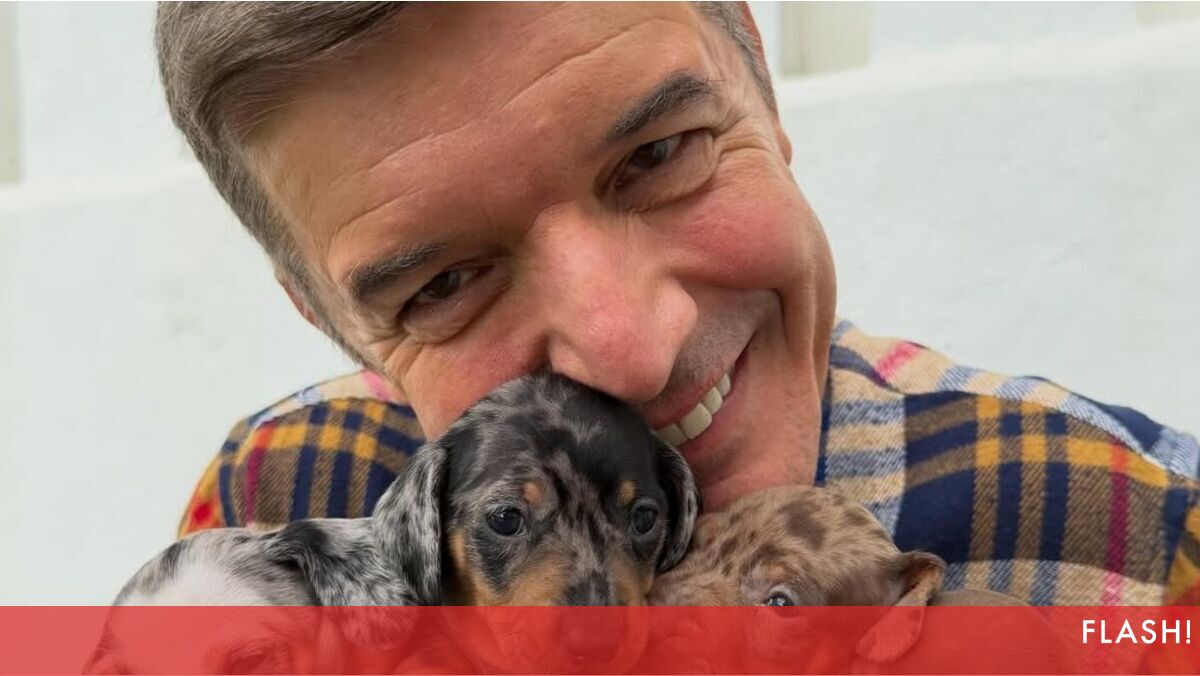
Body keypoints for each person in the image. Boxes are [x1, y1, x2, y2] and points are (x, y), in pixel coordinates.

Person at [156, 2, 1198, 605]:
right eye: (443, 286)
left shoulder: (1139, 548)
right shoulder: (268, 510)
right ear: (331, 322)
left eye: (659, 155)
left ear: (760, 85)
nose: (630, 351)